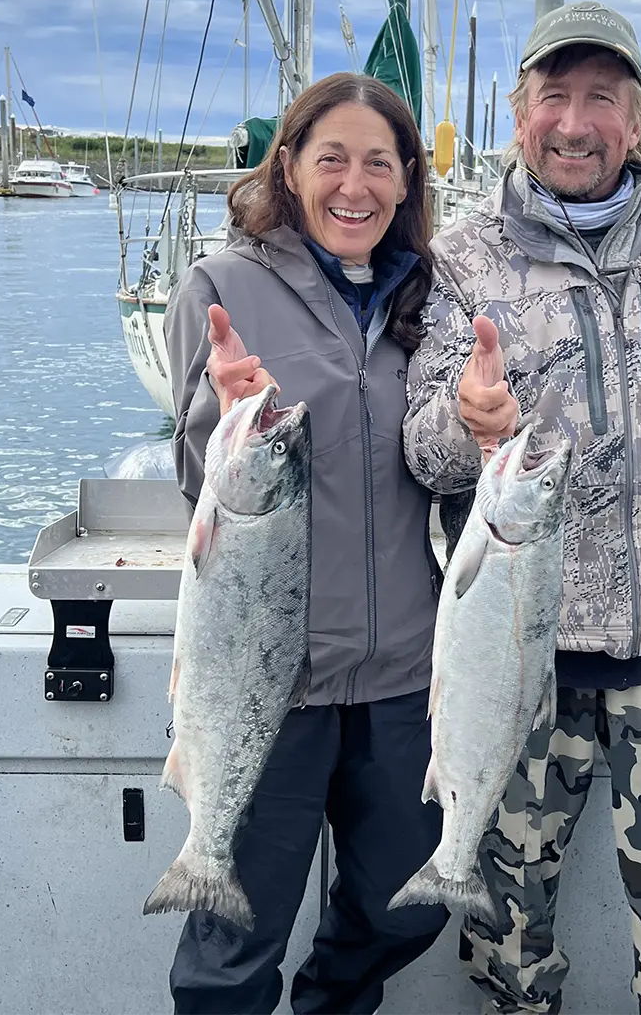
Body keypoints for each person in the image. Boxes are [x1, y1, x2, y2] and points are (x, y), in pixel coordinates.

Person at [402, 1, 641, 1015]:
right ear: (519, 107)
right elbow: (422, 451)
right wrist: (468, 419)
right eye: (553, 96)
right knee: (507, 913)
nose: (574, 123)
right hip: (514, 666)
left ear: (634, 117)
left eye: (601, 99)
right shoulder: (461, 259)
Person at [164, 72, 449, 1015]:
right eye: (332, 159)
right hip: (267, 684)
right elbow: (198, 476)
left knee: (404, 910)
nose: (353, 187)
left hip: (403, 679)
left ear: (408, 180)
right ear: (288, 166)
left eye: (379, 163)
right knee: (233, 943)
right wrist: (227, 411)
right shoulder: (222, 287)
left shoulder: (434, 296)